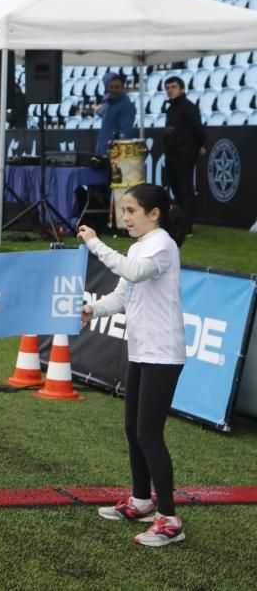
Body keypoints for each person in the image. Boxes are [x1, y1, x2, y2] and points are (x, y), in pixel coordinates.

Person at [77, 183, 187, 547]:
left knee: (149, 434)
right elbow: (122, 296)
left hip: (162, 354)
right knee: (133, 429)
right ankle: (141, 501)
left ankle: (169, 520)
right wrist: (92, 310)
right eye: (123, 211)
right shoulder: (141, 246)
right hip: (141, 351)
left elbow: (134, 272)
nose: (125, 218)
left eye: (131, 211)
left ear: (154, 214)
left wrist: (94, 243)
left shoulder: (162, 245)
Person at [162, 76, 206, 236]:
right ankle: (180, 223)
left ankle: (187, 227)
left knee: (186, 189)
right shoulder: (171, 108)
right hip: (171, 153)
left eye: (173, 87)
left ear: (182, 89)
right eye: (167, 87)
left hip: (185, 154)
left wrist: (197, 146)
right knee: (177, 190)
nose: (170, 90)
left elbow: (198, 130)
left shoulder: (188, 107)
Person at [96, 74, 137, 155]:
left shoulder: (127, 106)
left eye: (116, 87)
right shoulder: (108, 103)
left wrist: (117, 155)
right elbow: (102, 113)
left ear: (122, 88)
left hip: (115, 155)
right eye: (111, 87)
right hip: (102, 151)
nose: (113, 89)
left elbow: (126, 133)